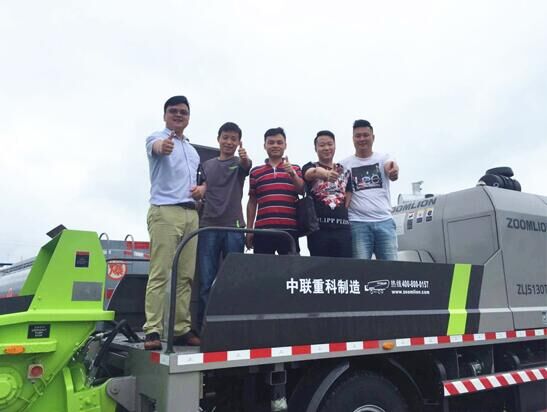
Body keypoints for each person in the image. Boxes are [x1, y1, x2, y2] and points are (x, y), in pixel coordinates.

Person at [143, 95, 203, 350]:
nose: (179, 115)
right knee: (160, 273)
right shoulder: (156, 137)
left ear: (189, 117)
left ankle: (180, 329)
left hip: (191, 213)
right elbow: (158, 147)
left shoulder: (192, 150)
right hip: (165, 212)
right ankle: (153, 329)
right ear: (165, 115)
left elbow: (197, 183)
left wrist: (201, 190)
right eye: (174, 111)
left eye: (183, 112)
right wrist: (163, 146)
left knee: (185, 276)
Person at [197, 122, 251, 327]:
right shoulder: (206, 165)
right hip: (208, 226)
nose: (229, 142)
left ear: (238, 142)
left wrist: (244, 158)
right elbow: (201, 188)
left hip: (233, 227)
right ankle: (205, 326)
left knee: (233, 280)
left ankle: (231, 325)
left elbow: (247, 165)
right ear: (218, 139)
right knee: (206, 280)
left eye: (233, 139)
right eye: (225, 137)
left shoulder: (239, 163)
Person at [341, 119, 400, 260]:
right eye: (358, 136)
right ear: (353, 139)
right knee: (360, 269)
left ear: (373, 137)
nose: (362, 139)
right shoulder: (344, 164)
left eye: (365, 135)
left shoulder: (384, 158)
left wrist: (393, 171)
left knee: (391, 269)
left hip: (385, 221)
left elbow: (391, 167)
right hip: (357, 223)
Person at [246, 127, 304, 255]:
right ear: (265, 146)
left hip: (290, 229)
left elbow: (302, 190)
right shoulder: (255, 172)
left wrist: (292, 174)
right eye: (271, 142)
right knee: (263, 267)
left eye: (279, 142)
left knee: (291, 267)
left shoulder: (295, 168)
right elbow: (252, 202)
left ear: (285, 145)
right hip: (262, 230)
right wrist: (249, 230)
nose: (275, 145)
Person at [302, 130, 353, 257]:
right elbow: (311, 173)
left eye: (330, 144)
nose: (326, 148)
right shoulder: (309, 166)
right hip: (318, 230)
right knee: (320, 266)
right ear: (316, 148)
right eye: (322, 145)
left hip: (343, 229)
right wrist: (326, 174)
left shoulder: (345, 170)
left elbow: (349, 195)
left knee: (345, 266)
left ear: (335, 146)